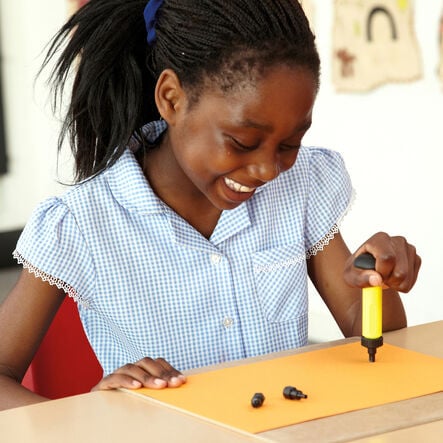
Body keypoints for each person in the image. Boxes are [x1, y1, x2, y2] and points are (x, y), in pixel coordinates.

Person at [0, 0, 421, 410]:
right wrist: (91, 421)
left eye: (290, 144)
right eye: (242, 142)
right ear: (171, 98)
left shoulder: (301, 184)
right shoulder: (81, 222)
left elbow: (370, 333)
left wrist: (376, 282)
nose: (268, 170)